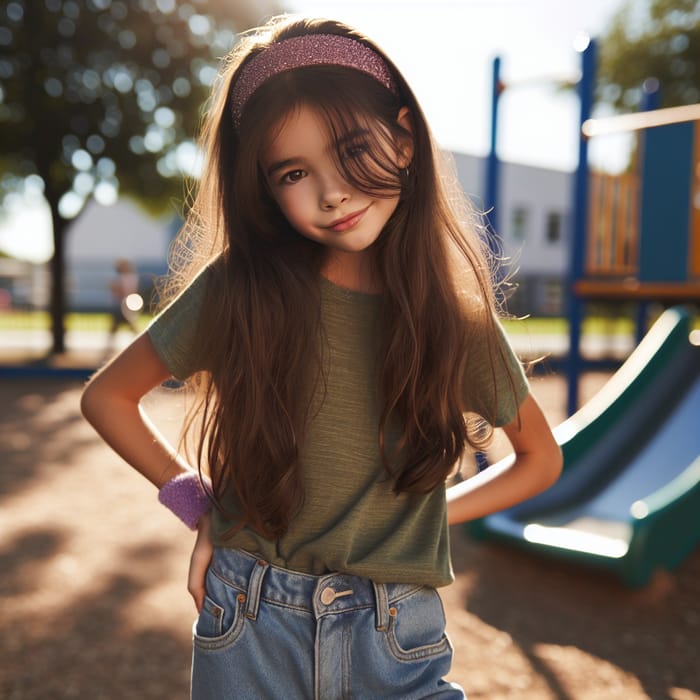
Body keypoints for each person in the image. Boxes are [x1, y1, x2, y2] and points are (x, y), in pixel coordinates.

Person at [81, 15, 562, 699]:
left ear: (402, 139)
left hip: (398, 631)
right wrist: (198, 504)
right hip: (249, 617)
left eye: (351, 149)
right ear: (266, 189)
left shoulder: (454, 324)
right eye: (294, 171)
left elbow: (540, 457)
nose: (331, 191)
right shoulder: (239, 290)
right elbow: (106, 397)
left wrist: (433, 517)